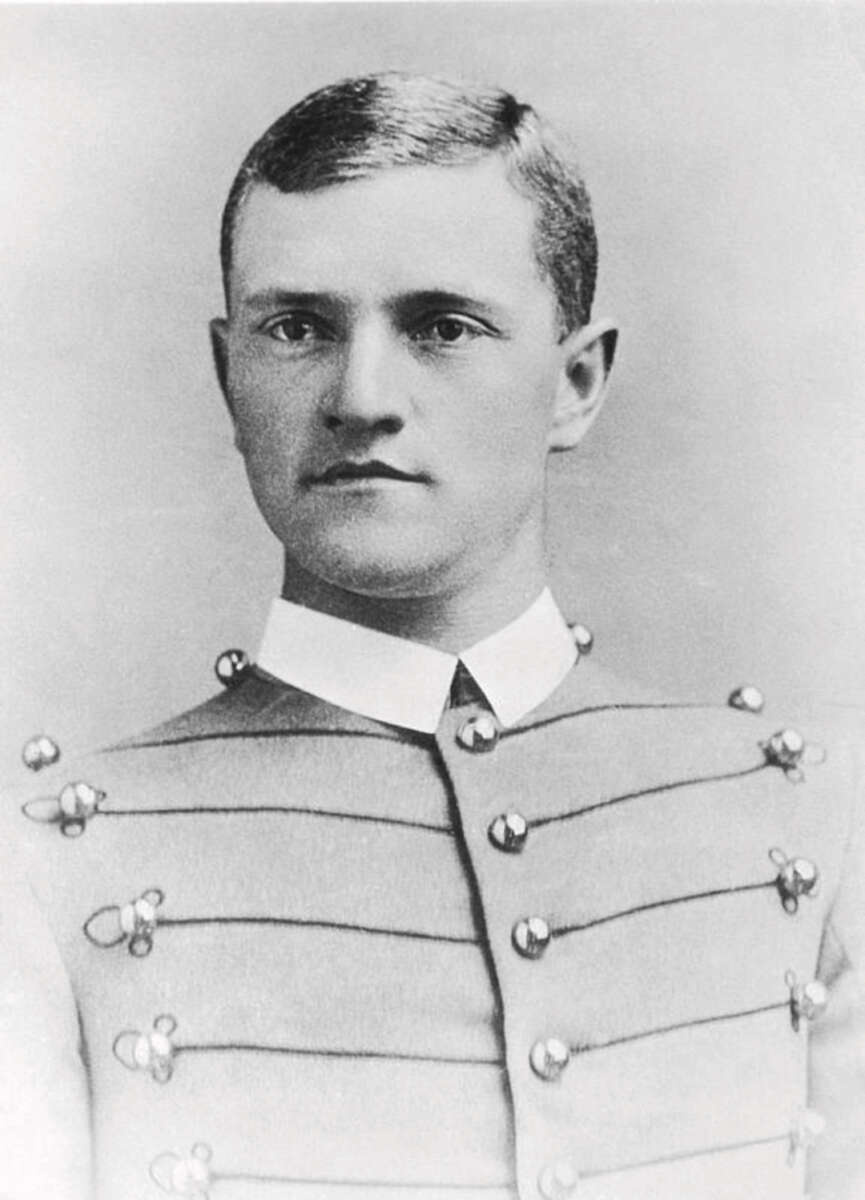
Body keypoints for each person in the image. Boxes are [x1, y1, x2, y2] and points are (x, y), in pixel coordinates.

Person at [1, 71, 863, 1200]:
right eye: (296, 328)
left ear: (576, 383)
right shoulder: (47, 873)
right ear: (227, 375)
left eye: (441, 327)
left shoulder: (810, 825)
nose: (361, 397)